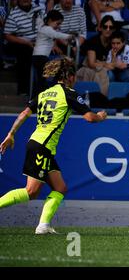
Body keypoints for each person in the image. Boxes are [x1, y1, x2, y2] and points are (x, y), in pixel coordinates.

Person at [0, 58, 107, 234]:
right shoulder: (70, 93)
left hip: (39, 144)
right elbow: (89, 117)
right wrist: (101, 116)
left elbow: (24, 113)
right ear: (70, 77)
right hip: (42, 147)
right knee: (31, 191)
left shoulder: (43, 94)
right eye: (75, 76)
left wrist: (11, 134)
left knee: (60, 188)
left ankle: (43, 225)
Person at [32, 10, 74, 95]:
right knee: (42, 80)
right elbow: (56, 35)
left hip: (39, 57)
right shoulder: (47, 29)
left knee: (42, 79)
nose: (58, 26)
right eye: (57, 24)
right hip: (40, 58)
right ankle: (41, 95)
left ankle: (39, 94)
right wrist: (70, 36)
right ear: (50, 20)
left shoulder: (44, 28)